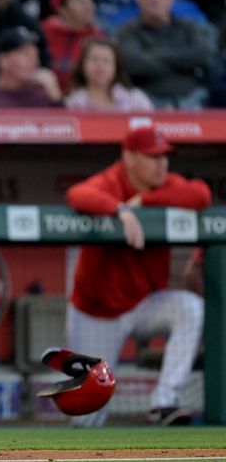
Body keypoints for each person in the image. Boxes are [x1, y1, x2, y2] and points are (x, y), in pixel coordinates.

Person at [65, 125, 211, 426]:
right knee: (87, 419)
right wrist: (119, 210)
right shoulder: (110, 181)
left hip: (145, 305)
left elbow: (201, 194)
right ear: (129, 157)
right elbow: (78, 194)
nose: (162, 164)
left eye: (165, 157)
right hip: (97, 314)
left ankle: (164, 401)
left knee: (190, 307)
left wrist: (145, 203)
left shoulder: (165, 186)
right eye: (153, 156)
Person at [115, 0, 216, 109]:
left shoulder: (191, 27)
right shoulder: (126, 32)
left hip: (193, 99)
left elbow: (204, 56)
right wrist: (185, 63)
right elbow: (133, 65)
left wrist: (153, 54)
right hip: (146, 102)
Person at [0, 26, 62, 107]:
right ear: (3, 61)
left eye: (35, 56)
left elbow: (67, 130)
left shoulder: (43, 96)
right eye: (26, 55)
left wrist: (56, 97)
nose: (34, 62)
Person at [41, 0, 106, 90]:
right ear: (62, 9)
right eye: (80, 1)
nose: (88, 5)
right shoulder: (44, 32)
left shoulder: (99, 37)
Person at [64, 38, 154, 111]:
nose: (100, 65)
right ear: (82, 65)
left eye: (106, 61)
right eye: (94, 59)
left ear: (117, 67)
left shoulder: (135, 98)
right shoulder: (72, 102)